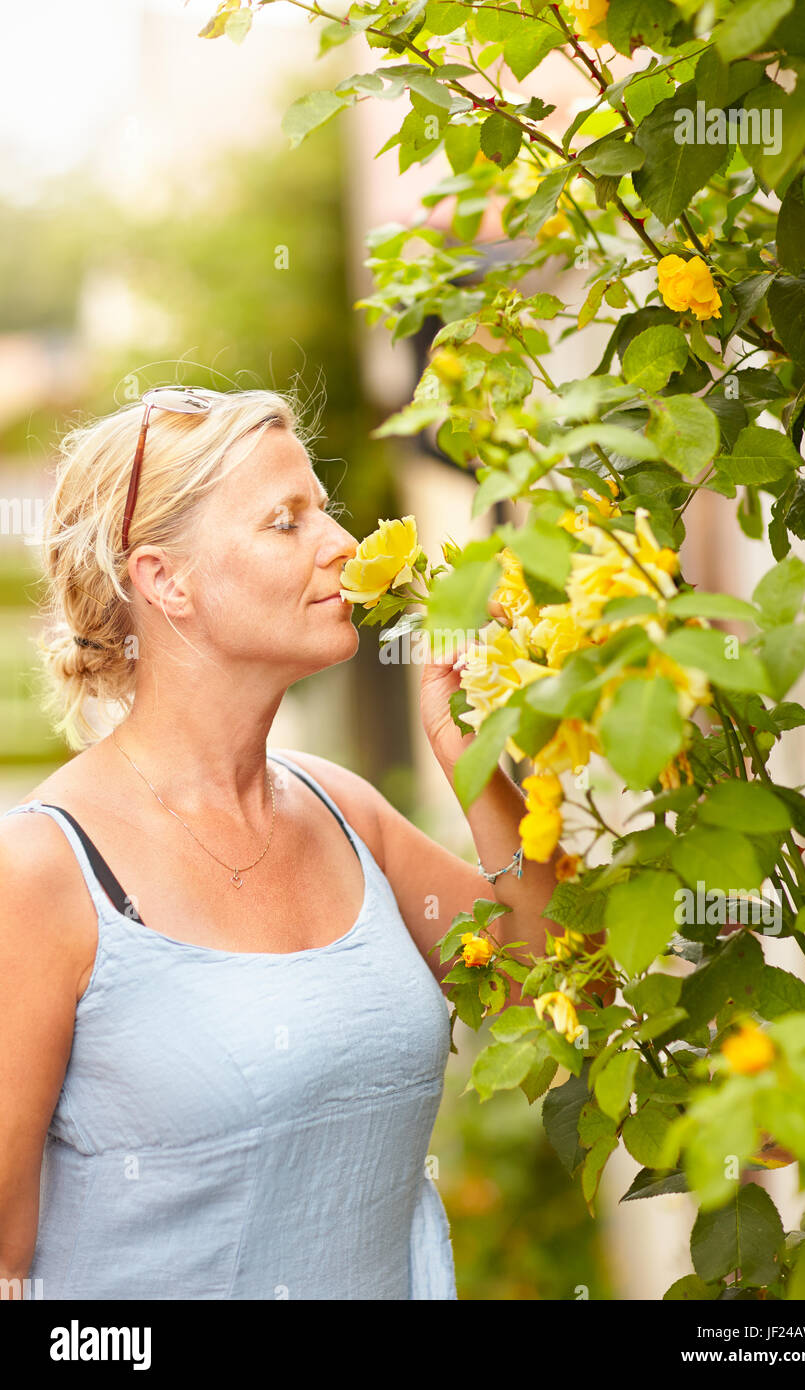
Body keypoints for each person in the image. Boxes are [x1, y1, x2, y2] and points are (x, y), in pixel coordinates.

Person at [0, 385, 563, 1300]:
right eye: (285, 521)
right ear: (164, 581)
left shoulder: (345, 813)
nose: (342, 544)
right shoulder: (41, 872)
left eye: (324, 509)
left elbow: (555, 984)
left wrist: (486, 772)